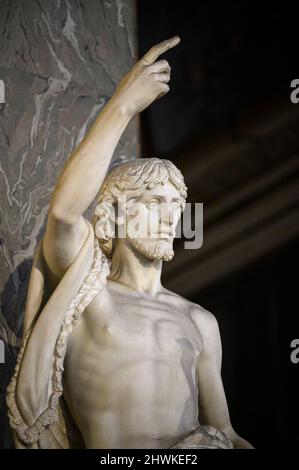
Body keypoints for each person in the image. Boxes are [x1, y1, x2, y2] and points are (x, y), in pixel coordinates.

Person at [7, 36, 252, 449]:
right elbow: (65, 213)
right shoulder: (88, 295)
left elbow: (226, 432)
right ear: (114, 214)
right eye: (154, 202)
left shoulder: (200, 321)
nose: (170, 216)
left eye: (176, 205)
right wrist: (123, 105)